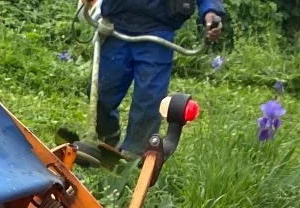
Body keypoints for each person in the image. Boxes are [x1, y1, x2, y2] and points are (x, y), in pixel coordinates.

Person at [94, 0, 223, 156]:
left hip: (157, 32)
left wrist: (211, 14)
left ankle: (134, 155)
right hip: (116, 27)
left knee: (149, 100)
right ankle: (108, 137)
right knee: (100, 93)